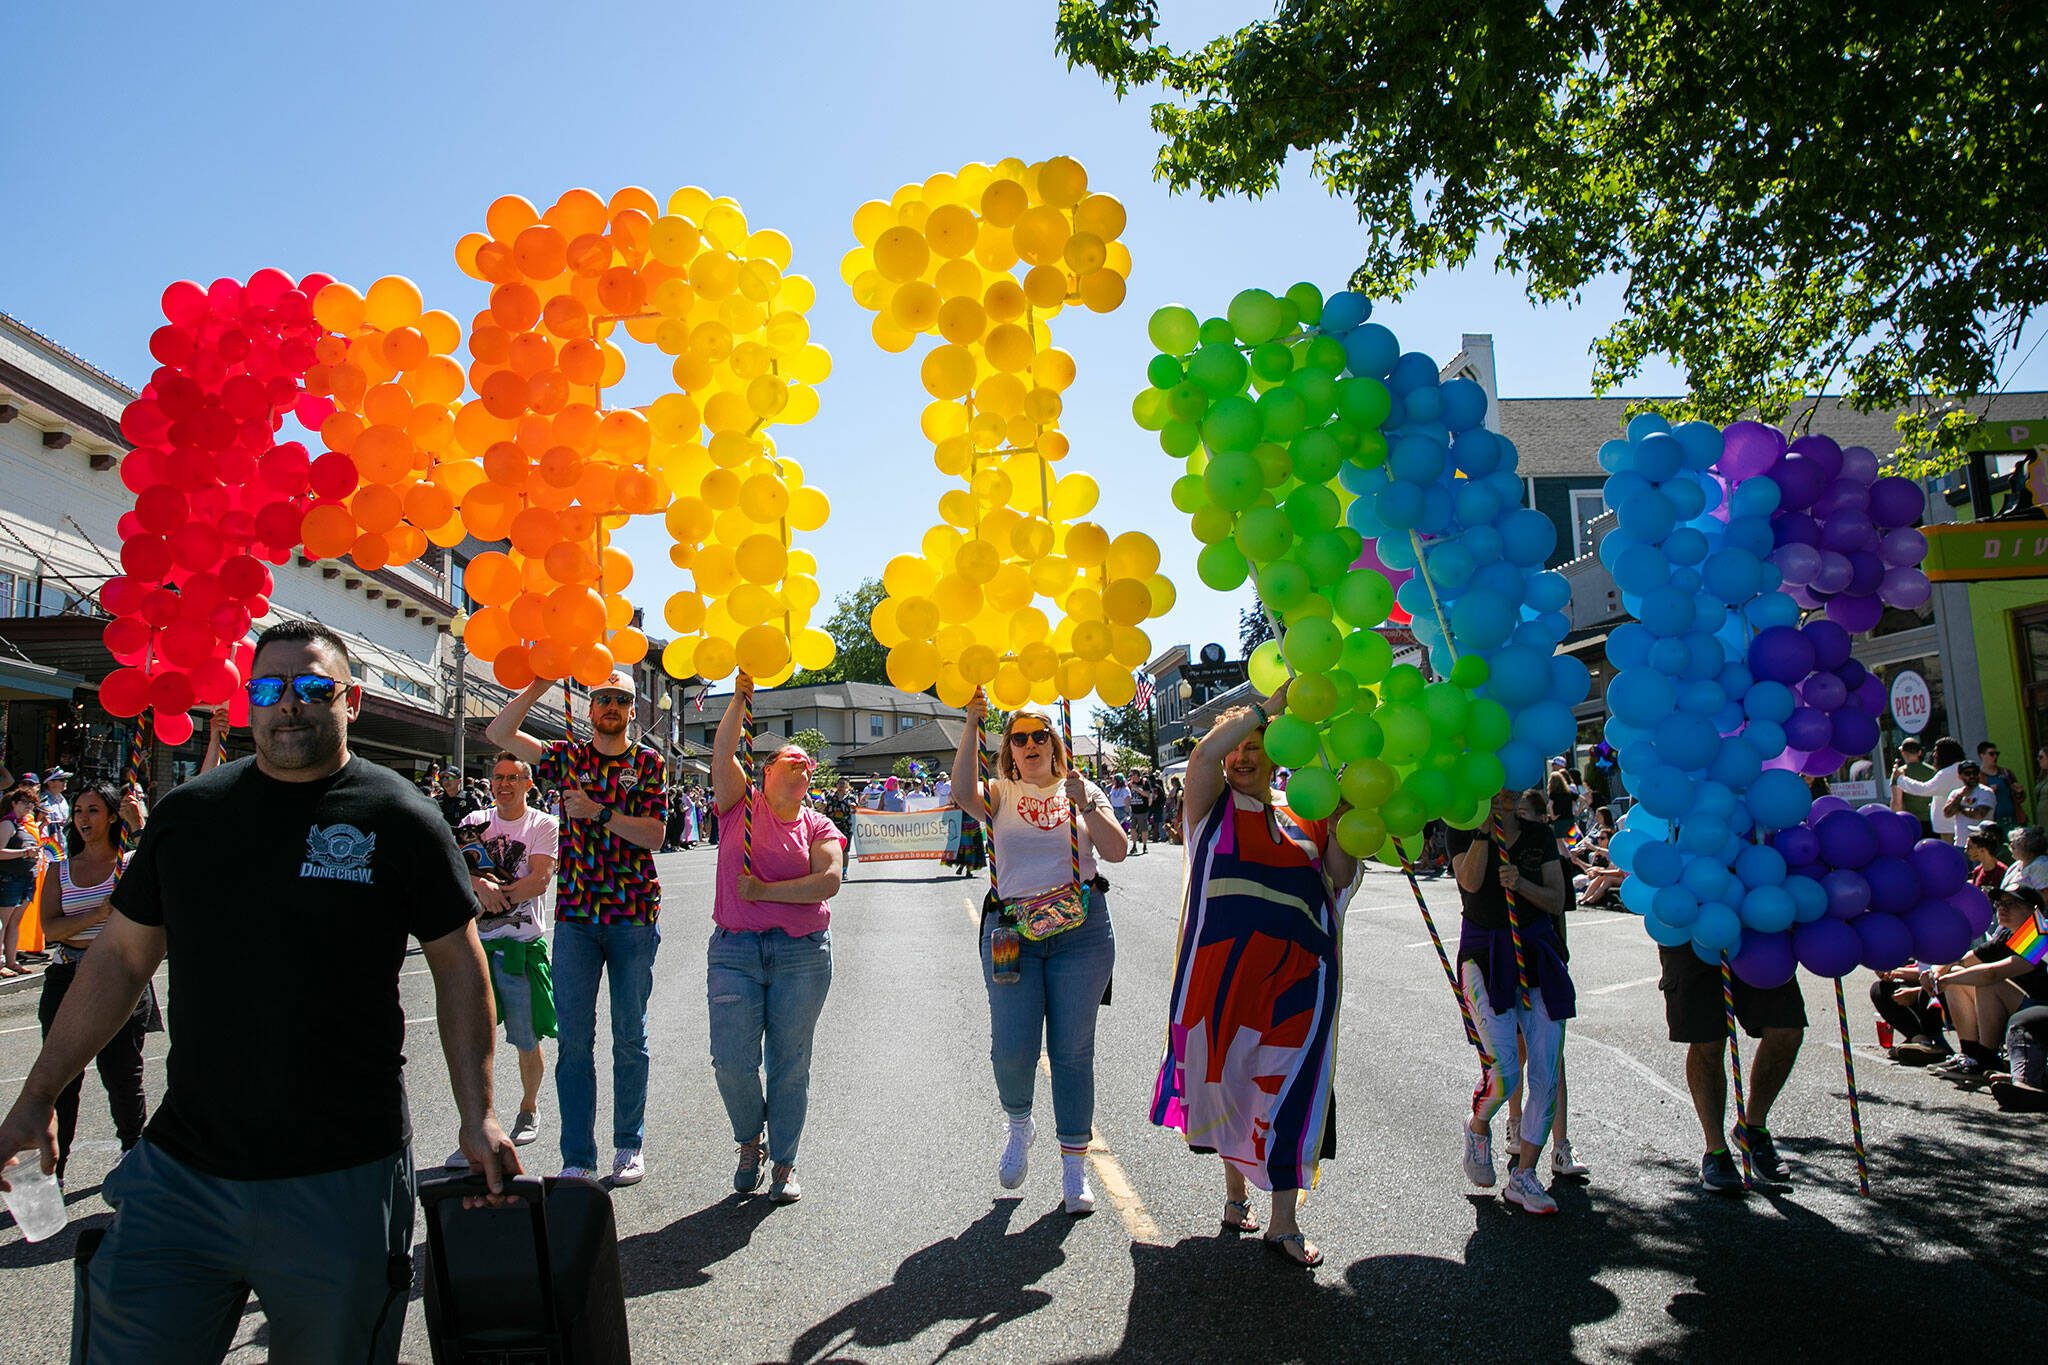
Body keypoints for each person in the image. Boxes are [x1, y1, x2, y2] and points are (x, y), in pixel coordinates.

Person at [0, 619, 514, 1362]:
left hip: (342, 1179)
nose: (288, 705)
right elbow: (116, 962)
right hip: (182, 1176)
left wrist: (481, 1116)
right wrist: (36, 1096)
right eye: (269, 689)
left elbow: (460, 969)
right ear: (248, 702)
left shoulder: (401, 818)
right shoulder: (189, 817)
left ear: (353, 700)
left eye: (311, 687)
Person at [1153, 685, 1357, 1267]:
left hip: (1298, 988)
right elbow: (1198, 757)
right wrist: (1264, 708)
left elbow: (1339, 877)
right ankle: (1235, 1194)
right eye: (1236, 746)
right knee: (1230, 1087)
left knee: (1289, 1092)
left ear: (1276, 753)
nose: (1243, 756)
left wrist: (1345, 816)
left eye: (1256, 745)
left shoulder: (1304, 815)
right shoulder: (1207, 810)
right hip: (1223, 987)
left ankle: (1284, 1221)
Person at [487, 671, 667, 1186]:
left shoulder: (648, 763)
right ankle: (577, 1156)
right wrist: (539, 683)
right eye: (602, 699)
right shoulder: (567, 756)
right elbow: (501, 734)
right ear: (590, 708)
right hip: (577, 918)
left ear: (633, 710)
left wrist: (598, 812)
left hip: (633, 916)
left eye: (620, 700)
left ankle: (628, 1145)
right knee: (574, 1043)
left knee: (630, 1038)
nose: (610, 706)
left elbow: (655, 835)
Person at [951, 697, 1126, 1215]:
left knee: (1073, 1052)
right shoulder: (1000, 793)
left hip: (1082, 932)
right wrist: (970, 723)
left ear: (1055, 744)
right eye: (1019, 738)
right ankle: (1018, 1123)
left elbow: (1115, 852)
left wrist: (1087, 803)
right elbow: (962, 792)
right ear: (1008, 748)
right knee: (1011, 1046)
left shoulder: (1083, 790)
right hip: (1012, 932)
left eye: (1039, 736)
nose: (1030, 745)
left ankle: (1074, 1169)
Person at [709, 675, 846, 1204]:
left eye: (808, 765)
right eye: (791, 761)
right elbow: (723, 750)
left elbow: (828, 881)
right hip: (735, 950)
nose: (802, 768)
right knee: (731, 1062)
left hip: (801, 955)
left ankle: (784, 1162)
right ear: (764, 773)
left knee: (790, 1064)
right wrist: (740, 702)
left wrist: (765, 889)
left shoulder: (818, 825)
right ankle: (751, 1141)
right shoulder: (738, 809)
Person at [1447, 787, 1576, 1216]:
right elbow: (1468, 882)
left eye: (1510, 785)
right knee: (1502, 1072)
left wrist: (1521, 883)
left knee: (1546, 1076)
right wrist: (1485, 831)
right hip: (1484, 957)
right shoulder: (1461, 828)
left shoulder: (1540, 836)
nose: (1502, 792)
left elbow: (1558, 899)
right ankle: (1479, 1124)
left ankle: (1524, 1175)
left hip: (1537, 953)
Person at [33, 779, 152, 1178]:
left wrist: (140, 824)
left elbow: (166, 872)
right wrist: (99, 915)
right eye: (78, 810)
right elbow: (51, 929)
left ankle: (133, 1156)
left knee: (122, 1074)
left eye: (93, 810)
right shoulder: (59, 870)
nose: (83, 818)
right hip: (67, 975)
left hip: (120, 977)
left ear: (113, 815)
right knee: (63, 1076)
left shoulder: (131, 863)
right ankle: (57, 1169)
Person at [448, 755, 560, 1163]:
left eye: (514, 777)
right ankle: (479, 1124)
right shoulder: (473, 821)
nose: (505, 784)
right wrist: (478, 883)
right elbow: (455, 870)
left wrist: (496, 898)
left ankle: (529, 1108)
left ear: (528, 784)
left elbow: (540, 878)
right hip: (476, 947)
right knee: (473, 1041)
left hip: (521, 945)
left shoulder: (543, 824)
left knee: (526, 1037)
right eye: (498, 777)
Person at [1657, 927, 1805, 1193]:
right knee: (1708, 1042)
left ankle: (1753, 1128)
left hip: (1758, 919)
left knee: (1786, 1031)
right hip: (1692, 926)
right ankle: (1715, 1150)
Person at [1924, 886, 2048, 1079]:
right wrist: (1936, 972)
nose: (2002, 909)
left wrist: (1947, 979)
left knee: (1988, 983)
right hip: (2021, 1006)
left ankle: (1987, 1058)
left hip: (2040, 1012)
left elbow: (1992, 973)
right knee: (1958, 975)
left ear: (2034, 910)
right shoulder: (2007, 935)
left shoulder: (2041, 932)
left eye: (2011, 904)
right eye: (2000, 903)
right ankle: (1970, 1055)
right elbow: (1962, 959)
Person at [1893, 737, 1967, 844]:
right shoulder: (1962, 769)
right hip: (1959, 823)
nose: (1934, 755)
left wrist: (1900, 779)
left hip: (1949, 827)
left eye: (1936, 751)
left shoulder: (1946, 773)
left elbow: (1924, 789)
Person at [0, 787, 40, 978]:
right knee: (3, 923)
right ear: (14, 803)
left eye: (31, 803)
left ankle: (11, 961)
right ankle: (1, 963)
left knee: (14, 922)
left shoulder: (25, 824)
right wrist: (25, 853)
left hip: (26, 878)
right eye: (24, 802)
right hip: (10, 878)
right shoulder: (7, 824)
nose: (29, 806)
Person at [1941, 760, 1997, 847]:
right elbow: (1947, 813)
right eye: (1967, 773)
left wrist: (1960, 808)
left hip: (1982, 844)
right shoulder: (1956, 793)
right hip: (1960, 843)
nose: (1972, 776)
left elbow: (1978, 814)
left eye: (1975, 773)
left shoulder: (1986, 792)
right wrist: (1960, 796)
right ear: (1960, 776)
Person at [1891, 738, 1937, 837]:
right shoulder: (1933, 771)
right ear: (1919, 752)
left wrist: (1894, 823)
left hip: (1911, 822)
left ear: (1902, 752)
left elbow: (1897, 803)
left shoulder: (1899, 773)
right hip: (1932, 820)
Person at [1979, 741, 2024, 825]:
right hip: (1993, 822)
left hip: (2014, 819)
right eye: (1991, 754)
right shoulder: (1978, 778)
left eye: (1997, 754)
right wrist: (1988, 792)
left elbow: (2020, 799)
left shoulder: (2006, 773)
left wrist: (2019, 792)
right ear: (1982, 755)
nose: (1995, 757)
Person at [2002, 825, 2048, 892]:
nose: (2011, 845)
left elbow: (2044, 896)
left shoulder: (2042, 865)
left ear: (2029, 846)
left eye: (2017, 843)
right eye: (2011, 842)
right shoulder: (2016, 865)